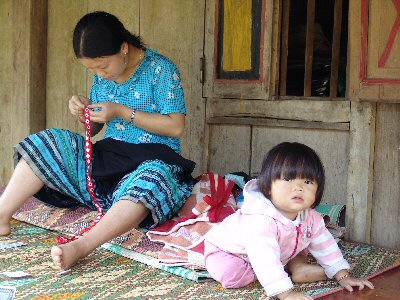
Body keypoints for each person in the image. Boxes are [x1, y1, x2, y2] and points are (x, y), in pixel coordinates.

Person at [0, 11, 195, 271]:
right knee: (46, 142)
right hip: (111, 157)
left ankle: (80, 246)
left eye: (102, 66)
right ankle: (2, 215)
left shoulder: (161, 70)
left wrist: (123, 111)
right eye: (92, 69)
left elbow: (175, 126)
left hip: (155, 158)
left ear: (124, 48)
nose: (99, 74)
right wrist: (84, 113)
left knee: (150, 182)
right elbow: (95, 130)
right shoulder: (102, 76)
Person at [203, 142, 374, 300]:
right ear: (268, 186)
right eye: (288, 179)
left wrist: (343, 276)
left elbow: (325, 246)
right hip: (227, 252)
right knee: (234, 275)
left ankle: (295, 268)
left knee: (302, 241)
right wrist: (286, 293)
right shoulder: (261, 221)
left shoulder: (311, 217)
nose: (298, 187)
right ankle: (281, 271)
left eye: (307, 181)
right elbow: (264, 256)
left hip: (279, 249)